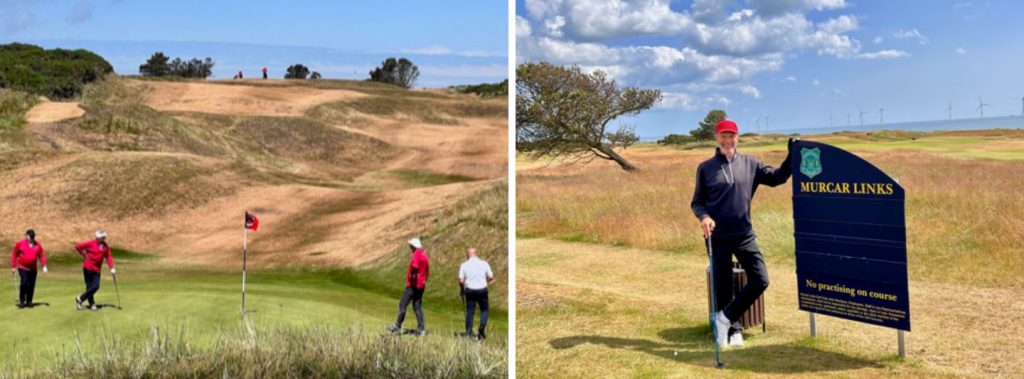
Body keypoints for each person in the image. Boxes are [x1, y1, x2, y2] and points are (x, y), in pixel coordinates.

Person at [691, 119, 796, 347]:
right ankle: (732, 331)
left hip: (744, 234)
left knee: (760, 279)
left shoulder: (751, 164)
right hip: (717, 237)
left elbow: (777, 178)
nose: (728, 141)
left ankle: (725, 319)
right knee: (723, 286)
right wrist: (704, 217)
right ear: (716, 139)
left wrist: (791, 156)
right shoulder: (705, 168)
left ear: (738, 138)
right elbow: (697, 202)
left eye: (732, 136)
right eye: (723, 136)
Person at [387, 237, 429, 336]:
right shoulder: (424, 255)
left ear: (414, 246)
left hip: (414, 285)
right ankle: (421, 328)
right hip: (421, 285)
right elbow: (427, 273)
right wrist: (422, 280)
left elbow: (414, 266)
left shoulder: (417, 254)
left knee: (403, 303)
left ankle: (398, 326)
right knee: (417, 305)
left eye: (411, 246)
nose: (410, 247)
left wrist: (413, 276)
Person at [458, 247, 494, 340]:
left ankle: (469, 332)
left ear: (468, 255)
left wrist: (462, 290)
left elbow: (461, 281)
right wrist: (485, 281)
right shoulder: (484, 263)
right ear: (476, 254)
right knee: (484, 310)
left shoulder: (464, 265)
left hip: (470, 289)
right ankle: (482, 327)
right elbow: (491, 276)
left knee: (470, 311)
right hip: (482, 289)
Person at [74, 230, 115, 311]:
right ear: (97, 237)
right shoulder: (91, 243)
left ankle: (80, 299)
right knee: (89, 287)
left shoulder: (105, 246)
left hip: (97, 269)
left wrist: (112, 268)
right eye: (102, 237)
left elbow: (108, 256)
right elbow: (78, 246)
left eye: (104, 237)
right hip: (88, 267)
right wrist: (83, 254)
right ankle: (91, 304)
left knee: (96, 286)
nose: (104, 238)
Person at [11, 229, 47, 309]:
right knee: (24, 282)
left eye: (33, 237)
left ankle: (29, 301)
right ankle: (21, 301)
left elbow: (41, 255)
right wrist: (13, 266)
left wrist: (44, 265)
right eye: (30, 237)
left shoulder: (37, 245)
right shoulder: (21, 244)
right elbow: (14, 254)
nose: (32, 239)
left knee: (31, 284)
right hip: (22, 267)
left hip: (33, 269)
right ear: (26, 236)